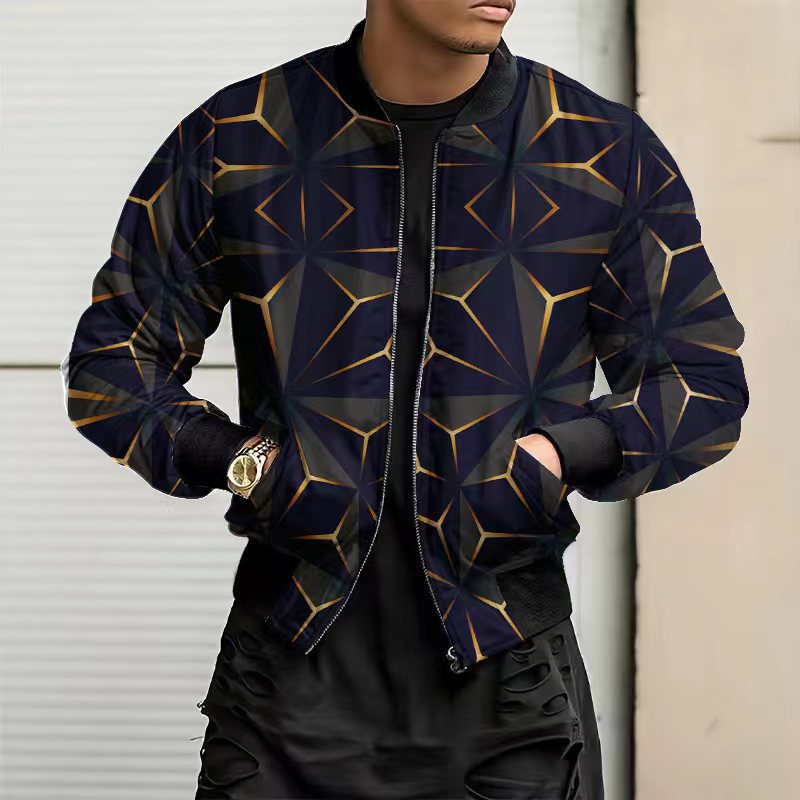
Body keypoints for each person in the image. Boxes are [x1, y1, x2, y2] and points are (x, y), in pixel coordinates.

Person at [61, 1, 750, 797]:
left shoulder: (600, 149)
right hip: (285, 688)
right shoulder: (240, 135)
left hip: (509, 690)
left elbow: (701, 382)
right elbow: (112, 367)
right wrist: (246, 463)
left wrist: (558, 456)